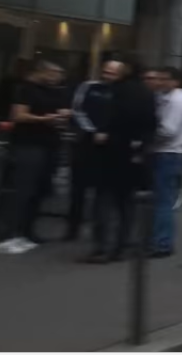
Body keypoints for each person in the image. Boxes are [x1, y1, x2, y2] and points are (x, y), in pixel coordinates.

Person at [0, 60, 70, 255]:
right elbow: (18, 115)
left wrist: (63, 116)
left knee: (39, 189)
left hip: (50, 143)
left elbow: (62, 111)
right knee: (22, 188)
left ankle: (27, 231)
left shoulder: (56, 91)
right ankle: (8, 233)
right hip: (28, 143)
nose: (58, 77)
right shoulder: (26, 89)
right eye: (54, 73)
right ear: (42, 72)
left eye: (60, 74)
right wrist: (44, 119)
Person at [87, 60, 158, 263]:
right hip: (133, 155)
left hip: (112, 153)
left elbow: (111, 118)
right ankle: (122, 246)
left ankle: (103, 247)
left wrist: (104, 133)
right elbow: (151, 123)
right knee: (127, 204)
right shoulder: (146, 93)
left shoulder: (117, 91)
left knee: (105, 201)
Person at [67, 60, 123, 241]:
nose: (108, 76)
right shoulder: (89, 87)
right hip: (85, 141)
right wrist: (92, 130)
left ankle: (99, 228)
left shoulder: (121, 92)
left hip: (109, 144)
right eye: (106, 71)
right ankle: (73, 227)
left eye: (112, 73)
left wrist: (109, 132)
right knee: (78, 187)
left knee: (103, 189)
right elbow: (77, 109)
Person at [148, 66, 182, 258]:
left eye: (165, 79)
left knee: (163, 201)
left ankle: (162, 243)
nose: (160, 82)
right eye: (158, 78)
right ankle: (159, 240)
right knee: (161, 200)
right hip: (165, 153)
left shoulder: (178, 100)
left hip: (168, 153)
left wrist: (147, 141)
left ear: (176, 81)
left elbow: (168, 131)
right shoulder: (164, 98)